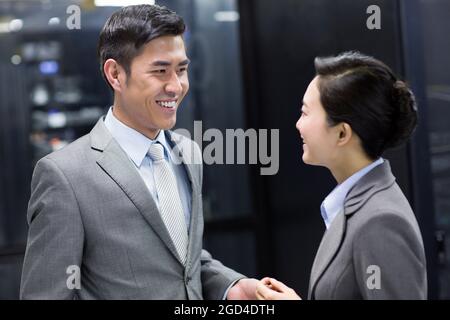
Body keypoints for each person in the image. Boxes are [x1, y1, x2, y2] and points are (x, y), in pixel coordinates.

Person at [20, 4, 257, 299]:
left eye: (181, 70)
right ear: (115, 74)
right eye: (160, 71)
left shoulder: (188, 153)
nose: (176, 86)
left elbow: (182, 262)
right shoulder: (66, 176)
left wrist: (231, 287)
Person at [256, 51, 427, 300]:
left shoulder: (380, 221)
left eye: (305, 112)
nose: (298, 124)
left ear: (342, 134)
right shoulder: (358, 204)